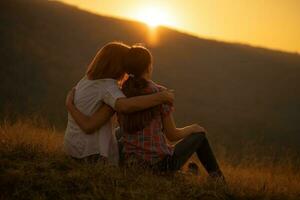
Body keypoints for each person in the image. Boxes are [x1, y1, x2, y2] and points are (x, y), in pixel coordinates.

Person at [67, 44, 225, 182]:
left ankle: (186, 175)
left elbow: (125, 109)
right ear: (149, 66)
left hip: (130, 163)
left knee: (124, 132)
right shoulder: (157, 93)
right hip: (159, 166)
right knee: (200, 137)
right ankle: (219, 180)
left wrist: (69, 104)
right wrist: (193, 128)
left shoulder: (122, 91)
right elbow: (172, 135)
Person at [64, 42, 174, 164]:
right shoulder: (108, 87)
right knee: (134, 137)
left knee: (127, 132)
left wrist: (70, 105)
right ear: (119, 65)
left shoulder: (86, 80)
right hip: (90, 154)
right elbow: (124, 106)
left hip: (72, 149)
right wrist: (161, 96)